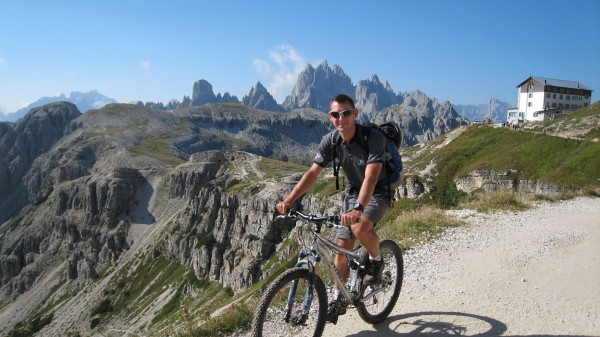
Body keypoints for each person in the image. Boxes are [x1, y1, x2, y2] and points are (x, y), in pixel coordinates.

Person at [276, 93, 392, 322]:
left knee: (359, 229)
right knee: (341, 248)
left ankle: (377, 261)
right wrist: (290, 200)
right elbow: (312, 173)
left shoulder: (373, 138)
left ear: (355, 114)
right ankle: (338, 296)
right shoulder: (330, 141)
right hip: (352, 193)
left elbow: (371, 177)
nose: (341, 118)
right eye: (335, 114)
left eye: (346, 113)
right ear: (330, 117)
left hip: (379, 190)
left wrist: (358, 209)